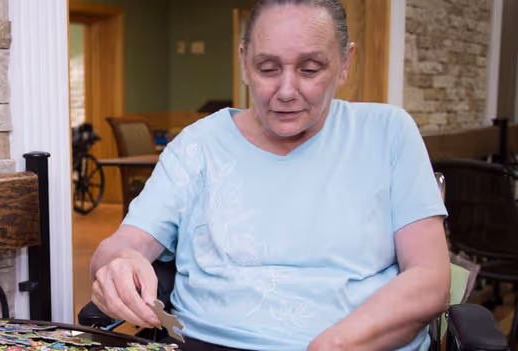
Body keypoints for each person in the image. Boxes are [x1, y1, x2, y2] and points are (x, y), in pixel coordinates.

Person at [89, 0, 451, 350]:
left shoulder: (388, 133)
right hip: (203, 343)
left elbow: (431, 278)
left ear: (344, 63)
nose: (287, 91)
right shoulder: (197, 145)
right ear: (244, 62)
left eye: (310, 69)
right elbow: (122, 246)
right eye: (267, 69)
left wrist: (337, 343)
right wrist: (118, 265)